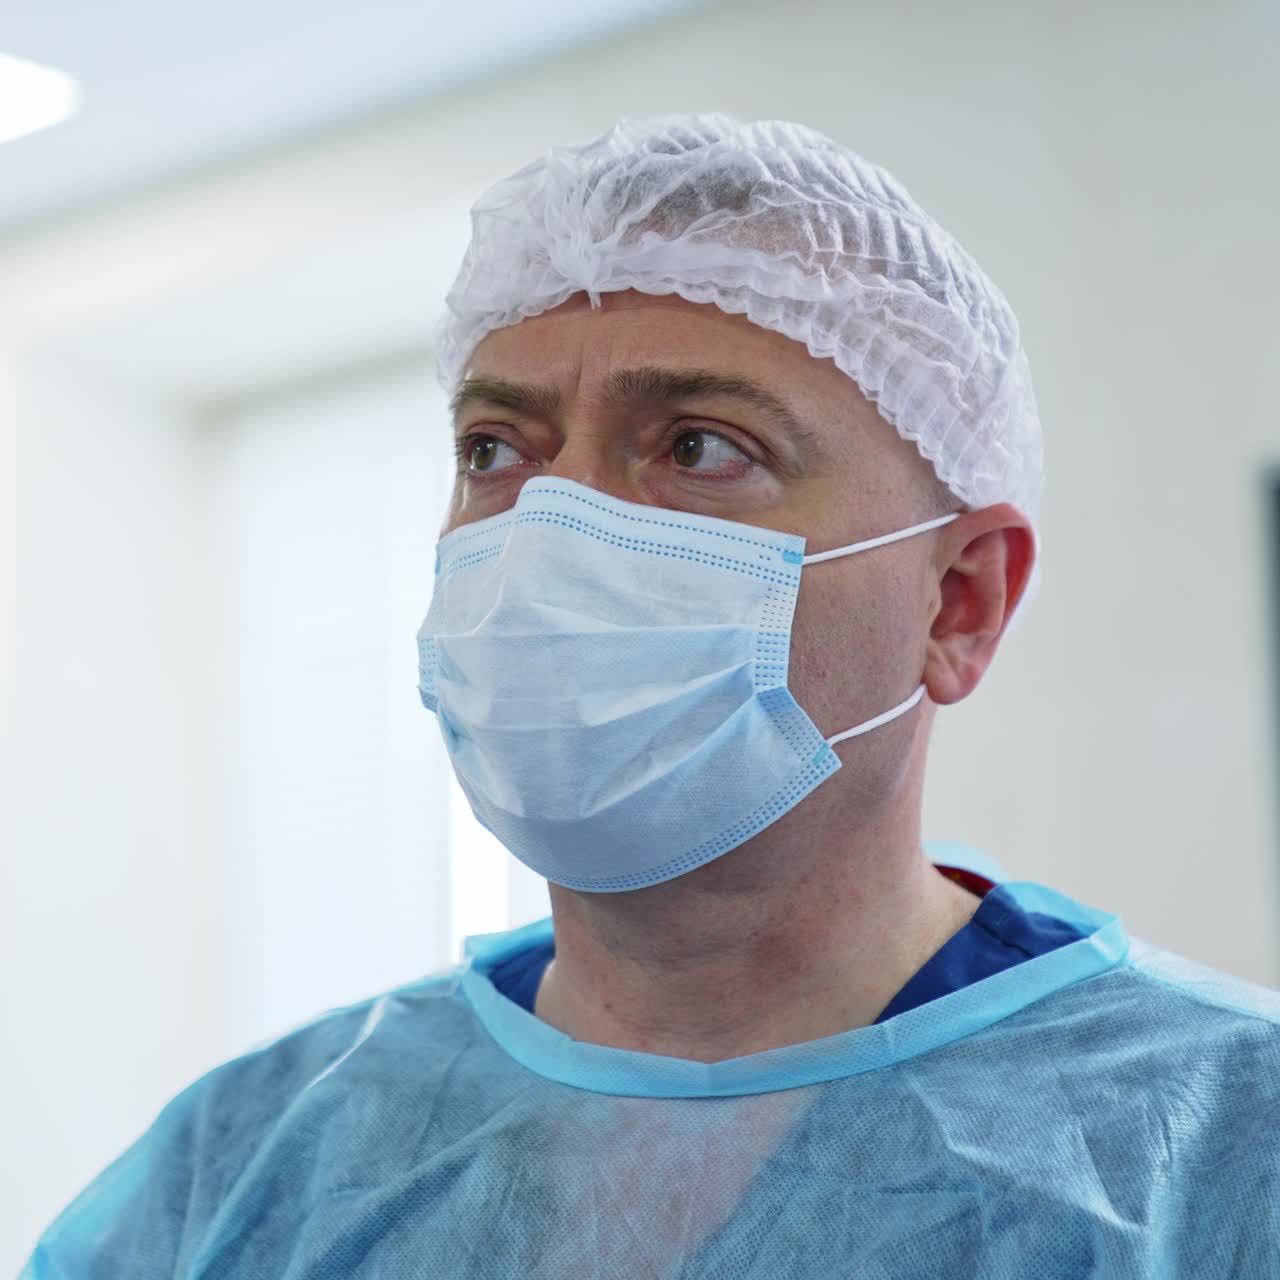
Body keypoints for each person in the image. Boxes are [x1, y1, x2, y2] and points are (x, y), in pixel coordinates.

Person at [24, 114, 1280, 1278]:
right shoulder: (247, 1164)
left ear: (956, 602)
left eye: (698, 445)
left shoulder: (1225, 1155)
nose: (551, 535)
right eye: (494, 450)